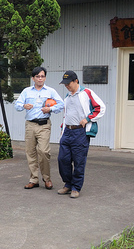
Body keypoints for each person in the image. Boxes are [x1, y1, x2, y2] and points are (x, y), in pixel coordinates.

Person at [57, 71, 106, 199]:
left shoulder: (86, 93)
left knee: (79, 161)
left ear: (76, 81)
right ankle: (68, 184)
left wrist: (88, 118)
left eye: (69, 83)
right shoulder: (67, 97)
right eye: (65, 84)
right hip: (67, 131)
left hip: (80, 132)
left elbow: (100, 107)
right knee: (63, 159)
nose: (67, 86)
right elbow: (66, 115)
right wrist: (63, 130)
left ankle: (76, 187)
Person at [14, 66, 64, 190]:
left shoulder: (50, 91)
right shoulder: (27, 91)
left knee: (43, 151)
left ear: (45, 78)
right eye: (37, 76)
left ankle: (47, 178)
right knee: (30, 152)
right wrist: (24, 105)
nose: (40, 78)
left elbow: (61, 104)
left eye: (42, 76)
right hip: (30, 124)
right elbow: (17, 105)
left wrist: (50, 109)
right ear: (33, 78)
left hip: (44, 125)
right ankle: (33, 179)